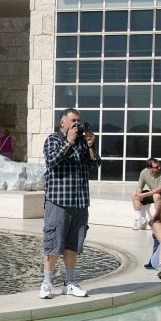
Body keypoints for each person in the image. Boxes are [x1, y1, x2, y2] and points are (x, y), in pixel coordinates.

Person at [38, 108, 101, 299]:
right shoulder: (53, 140)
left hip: (80, 202)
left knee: (73, 244)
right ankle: (47, 283)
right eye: (73, 121)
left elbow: (95, 165)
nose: (77, 124)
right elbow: (52, 160)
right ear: (62, 122)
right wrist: (69, 141)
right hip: (58, 201)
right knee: (53, 243)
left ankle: (70, 283)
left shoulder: (83, 142)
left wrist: (91, 146)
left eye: (78, 121)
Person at [132, 157, 161, 230]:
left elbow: (160, 189)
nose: (159, 167)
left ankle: (159, 219)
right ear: (149, 168)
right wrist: (139, 194)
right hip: (154, 192)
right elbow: (139, 187)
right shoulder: (144, 172)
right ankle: (139, 219)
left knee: (156, 195)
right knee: (134, 195)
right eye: (156, 167)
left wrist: (144, 195)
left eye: (159, 165)